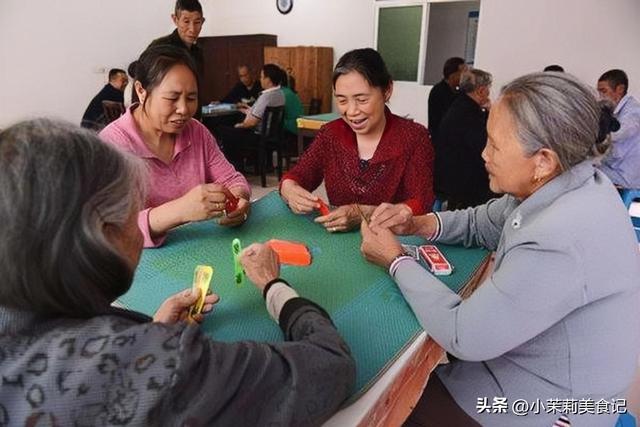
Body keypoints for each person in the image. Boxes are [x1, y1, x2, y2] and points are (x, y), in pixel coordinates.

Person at [0, 118, 355, 426]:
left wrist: (149, 329)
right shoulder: (162, 365)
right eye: (134, 209)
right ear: (101, 237)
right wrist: (274, 285)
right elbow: (331, 367)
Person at [361, 72, 640, 426]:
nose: (483, 153)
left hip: (555, 409)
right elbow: (485, 221)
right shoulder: (569, 181)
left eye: (494, 144)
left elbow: (465, 334)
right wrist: (418, 223)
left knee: (395, 404)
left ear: (542, 160)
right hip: (534, 374)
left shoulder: (560, 238)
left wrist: (395, 259)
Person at [100, 45, 251, 248]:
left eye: (191, 98)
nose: (183, 109)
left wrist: (239, 201)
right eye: (172, 98)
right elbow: (108, 230)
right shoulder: (112, 146)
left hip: (196, 250)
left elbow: (232, 179)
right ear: (141, 91)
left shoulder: (196, 131)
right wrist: (181, 210)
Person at [280, 48, 434, 233]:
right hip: (340, 241)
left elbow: (421, 202)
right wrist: (289, 189)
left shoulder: (413, 137)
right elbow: (300, 174)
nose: (351, 111)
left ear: (387, 91)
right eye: (342, 101)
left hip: (393, 243)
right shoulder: (330, 134)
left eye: (361, 99)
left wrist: (366, 213)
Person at [435, 68, 493, 209]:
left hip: (454, 178)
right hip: (465, 183)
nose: (489, 93)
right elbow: (484, 145)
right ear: (480, 91)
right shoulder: (468, 113)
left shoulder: (461, 105)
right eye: (487, 89)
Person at [215, 64, 285, 169]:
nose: (260, 79)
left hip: (257, 135)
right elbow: (261, 113)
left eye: (262, 77)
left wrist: (241, 125)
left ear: (268, 80)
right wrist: (248, 110)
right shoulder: (280, 94)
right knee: (231, 129)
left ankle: (235, 167)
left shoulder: (265, 97)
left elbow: (252, 123)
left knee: (224, 131)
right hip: (270, 133)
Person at [149, 0, 206, 115]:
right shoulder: (160, 47)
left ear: (203, 21)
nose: (192, 29)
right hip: (165, 116)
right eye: (186, 21)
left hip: (191, 116)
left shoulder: (197, 53)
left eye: (197, 22)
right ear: (175, 19)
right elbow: (145, 83)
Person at [597, 69, 640, 188]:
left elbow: (621, 131)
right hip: (616, 169)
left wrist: (593, 133)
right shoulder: (616, 111)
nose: (601, 97)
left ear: (619, 89)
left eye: (604, 91)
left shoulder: (633, 111)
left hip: (626, 177)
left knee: (582, 173)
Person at [428, 57, 466, 140]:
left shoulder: (459, 92)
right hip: (442, 140)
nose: (466, 76)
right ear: (453, 75)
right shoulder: (438, 91)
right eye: (464, 72)